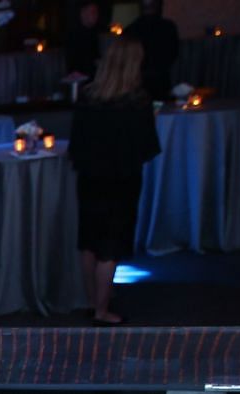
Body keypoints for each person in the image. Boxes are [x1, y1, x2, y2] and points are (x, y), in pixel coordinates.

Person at [70, 38, 160, 324]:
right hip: (122, 180)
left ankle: (91, 299)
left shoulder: (87, 96)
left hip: (89, 178)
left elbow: (76, 143)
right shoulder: (137, 101)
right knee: (110, 244)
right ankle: (101, 309)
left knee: (89, 241)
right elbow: (148, 148)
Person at [123, 0, 180, 100]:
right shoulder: (168, 27)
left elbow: (173, 53)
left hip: (152, 81)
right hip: (142, 83)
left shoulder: (131, 29)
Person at [65, 1, 104, 84]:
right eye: (93, 12)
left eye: (97, 12)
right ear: (83, 13)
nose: (96, 15)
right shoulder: (73, 35)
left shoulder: (93, 33)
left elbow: (96, 57)